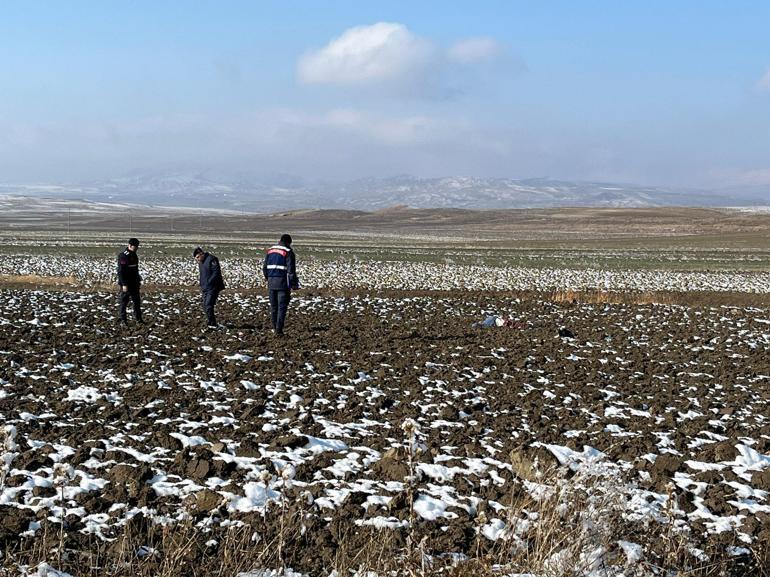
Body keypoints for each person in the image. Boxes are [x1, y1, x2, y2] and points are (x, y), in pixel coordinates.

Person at [262, 234, 300, 335]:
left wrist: (268, 278)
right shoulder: (288, 252)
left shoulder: (270, 251)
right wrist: (294, 284)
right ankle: (279, 330)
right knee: (282, 307)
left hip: (271, 283)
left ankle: (274, 327)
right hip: (283, 284)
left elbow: (264, 268)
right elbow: (291, 271)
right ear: (288, 242)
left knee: (274, 307)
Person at [193, 246, 226, 328]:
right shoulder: (201, 262)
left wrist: (209, 282)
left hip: (213, 287)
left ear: (201, 254)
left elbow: (216, 272)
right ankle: (210, 322)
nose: (197, 259)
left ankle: (213, 323)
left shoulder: (212, 259)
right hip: (205, 287)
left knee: (208, 305)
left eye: (198, 257)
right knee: (205, 305)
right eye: (196, 258)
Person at [117, 237, 143, 324]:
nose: (136, 248)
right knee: (124, 302)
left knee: (137, 302)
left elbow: (135, 269)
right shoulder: (123, 256)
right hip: (127, 283)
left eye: (137, 247)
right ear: (130, 245)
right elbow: (121, 271)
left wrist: (138, 278)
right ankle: (123, 320)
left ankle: (138, 319)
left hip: (134, 283)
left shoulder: (134, 255)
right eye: (134, 246)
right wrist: (124, 284)